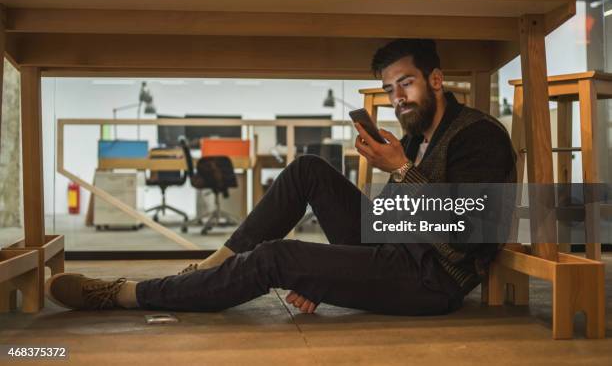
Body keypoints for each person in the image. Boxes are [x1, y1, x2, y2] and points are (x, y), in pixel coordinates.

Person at [45, 39, 516, 315]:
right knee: (307, 169)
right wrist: (334, 272)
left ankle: (128, 294)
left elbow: (472, 240)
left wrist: (402, 172)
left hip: (431, 281)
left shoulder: (479, 136)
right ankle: (210, 267)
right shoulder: (417, 134)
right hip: (394, 251)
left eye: (407, 84)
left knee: (275, 257)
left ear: (436, 80)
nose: (398, 98)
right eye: (390, 89)